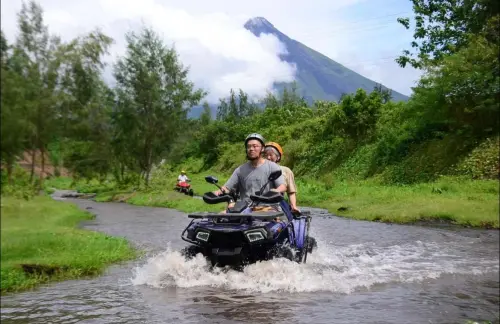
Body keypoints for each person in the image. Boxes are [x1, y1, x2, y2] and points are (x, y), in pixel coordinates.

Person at [213, 133, 287, 211]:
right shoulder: (240, 170)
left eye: (255, 146)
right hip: (246, 209)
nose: (251, 149)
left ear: (262, 149)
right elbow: (228, 188)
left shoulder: (272, 166)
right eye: (248, 146)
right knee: (221, 216)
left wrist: (276, 191)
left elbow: (282, 186)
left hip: (269, 209)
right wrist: (219, 192)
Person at [264, 142, 300, 212]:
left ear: (278, 157)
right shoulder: (258, 170)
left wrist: (293, 206)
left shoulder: (286, 171)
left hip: (277, 204)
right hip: (259, 204)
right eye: (266, 155)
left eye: (271, 155)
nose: (268, 158)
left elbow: (291, 192)